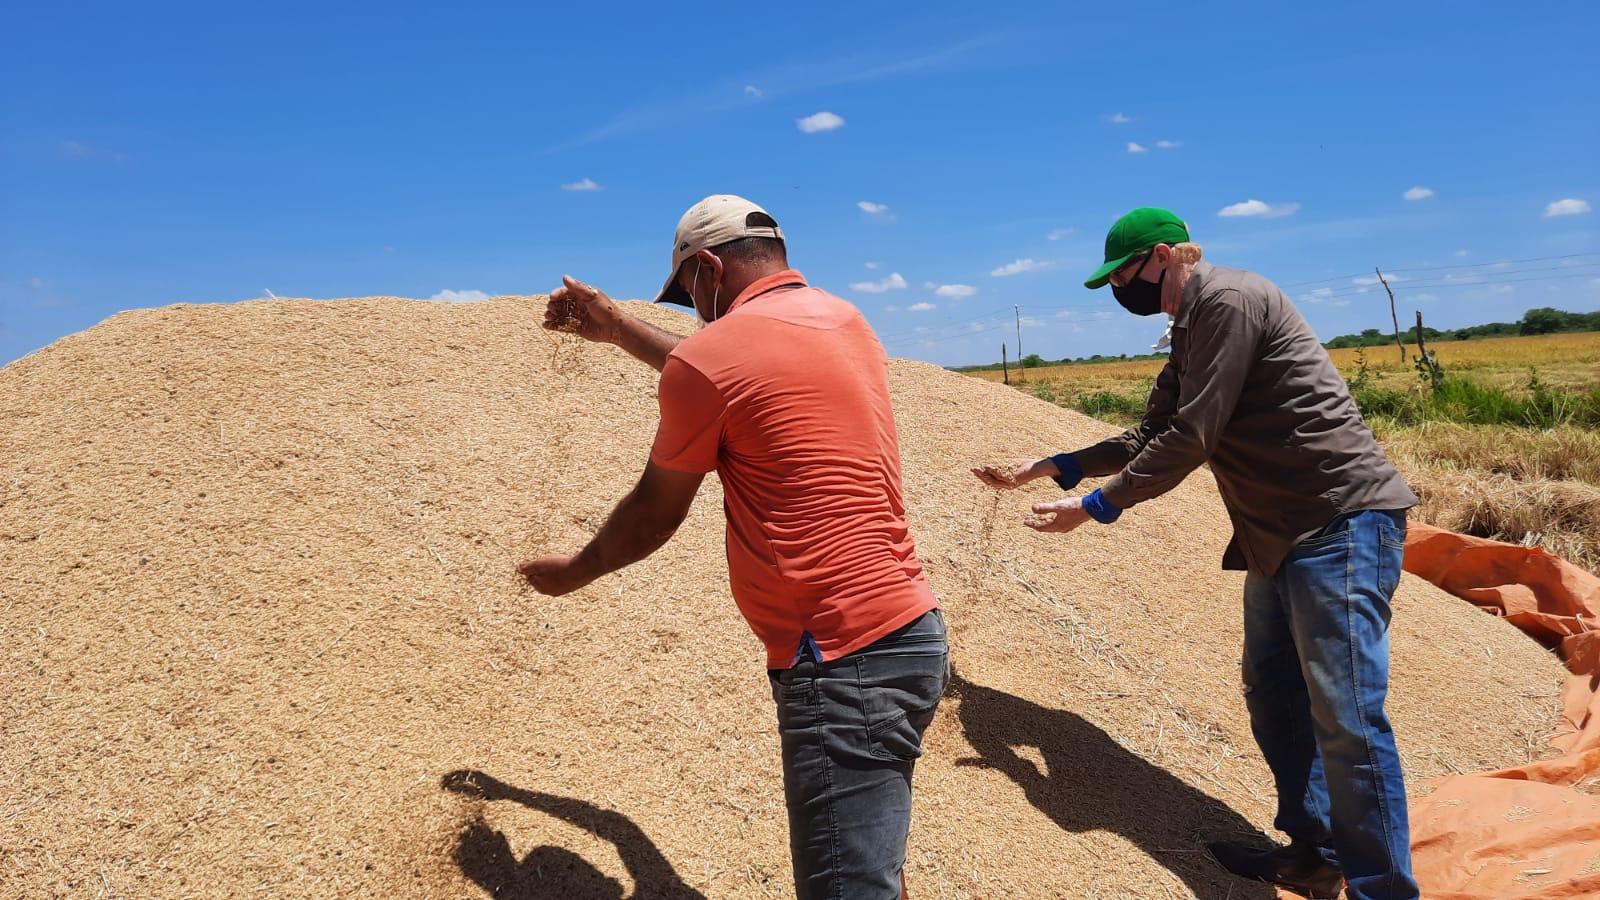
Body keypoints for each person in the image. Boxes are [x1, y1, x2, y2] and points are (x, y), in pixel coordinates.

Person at [973, 208, 1420, 900]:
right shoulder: (1189, 330)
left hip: (1339, 523)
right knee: (1273, 693)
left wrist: (1096, 507)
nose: (1121, 288)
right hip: (1278, 535)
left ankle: (1382, 891)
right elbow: (1148, 434)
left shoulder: (1229, 300)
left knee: (1348, 716)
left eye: (1123, 274)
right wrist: (1056, 465)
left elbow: (1191, 436)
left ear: (1162, 256)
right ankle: (1316, 851)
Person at [520, 194, 949, 900]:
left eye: (688, 290)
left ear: (709, 267)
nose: (694, 309)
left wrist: (574, 572)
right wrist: (623, 330)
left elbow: (654, 513)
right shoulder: (845, 320)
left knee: (849, 888)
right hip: (909, 634)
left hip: (839, 661)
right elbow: (730, 373)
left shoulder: (715, 357)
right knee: (872, 867)